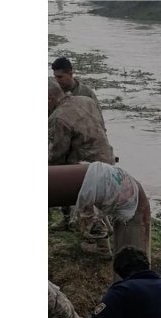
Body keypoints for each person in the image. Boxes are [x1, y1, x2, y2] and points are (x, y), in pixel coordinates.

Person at [49, 76, 115, 232]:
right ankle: (74, 221)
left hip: (86, 171)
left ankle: (98, 243)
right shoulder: (87, 101)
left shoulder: (58, 118)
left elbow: (56, 156)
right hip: (107, 160)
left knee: (58, 172)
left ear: (49, 99)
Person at [69, 162, 152, 259]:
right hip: (103, 171)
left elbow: (58, 152)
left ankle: (103, 249)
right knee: (99, 207)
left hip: (99, 178)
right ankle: (107, 231)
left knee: (91, 211)